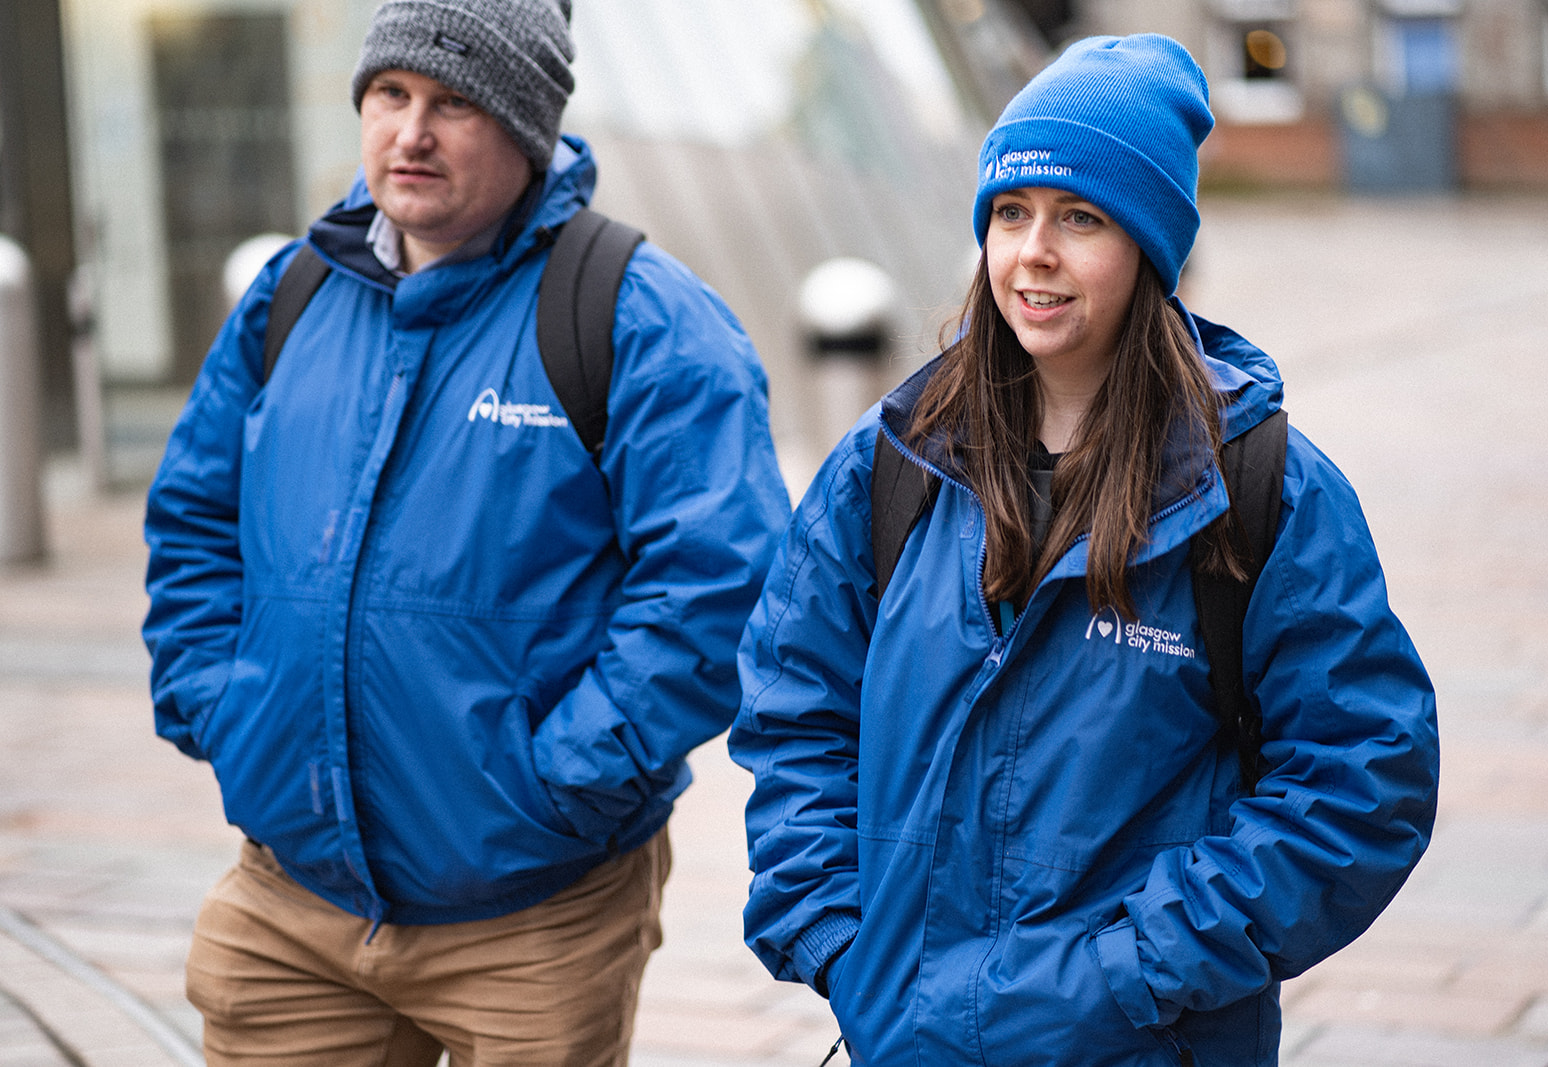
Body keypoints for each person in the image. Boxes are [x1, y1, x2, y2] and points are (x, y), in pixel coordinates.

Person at [729, 33, 1439, 1066]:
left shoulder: (1260, 487)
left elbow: (1361, 778)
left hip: (1144, 1041)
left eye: (1082, 217)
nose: (1034, 252)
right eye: (1010, 213)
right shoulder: (892, 463)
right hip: (903, 1035)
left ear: (1149, 246)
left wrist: (1126, 971)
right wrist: (842, 943)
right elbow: (795, 708)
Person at [142, 0, 790, 1062]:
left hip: (530, 907)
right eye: (391, 95)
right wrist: (223, 704)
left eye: (453, 103)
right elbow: (193, 518)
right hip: (293, 903)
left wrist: (559, 777)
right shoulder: (293, 296)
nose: (411, 133)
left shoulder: (637, 315)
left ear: (526, 125)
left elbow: (722, 581)